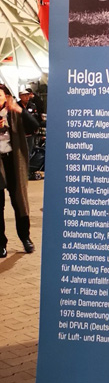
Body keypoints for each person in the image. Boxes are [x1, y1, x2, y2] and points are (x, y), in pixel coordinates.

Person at [0, 84, 38, 256]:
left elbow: (34, 126)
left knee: (19, 202)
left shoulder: (14, 112)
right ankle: (1, 243)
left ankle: (25, 238)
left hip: (14, 162)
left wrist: (19, 110)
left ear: (6, 97)